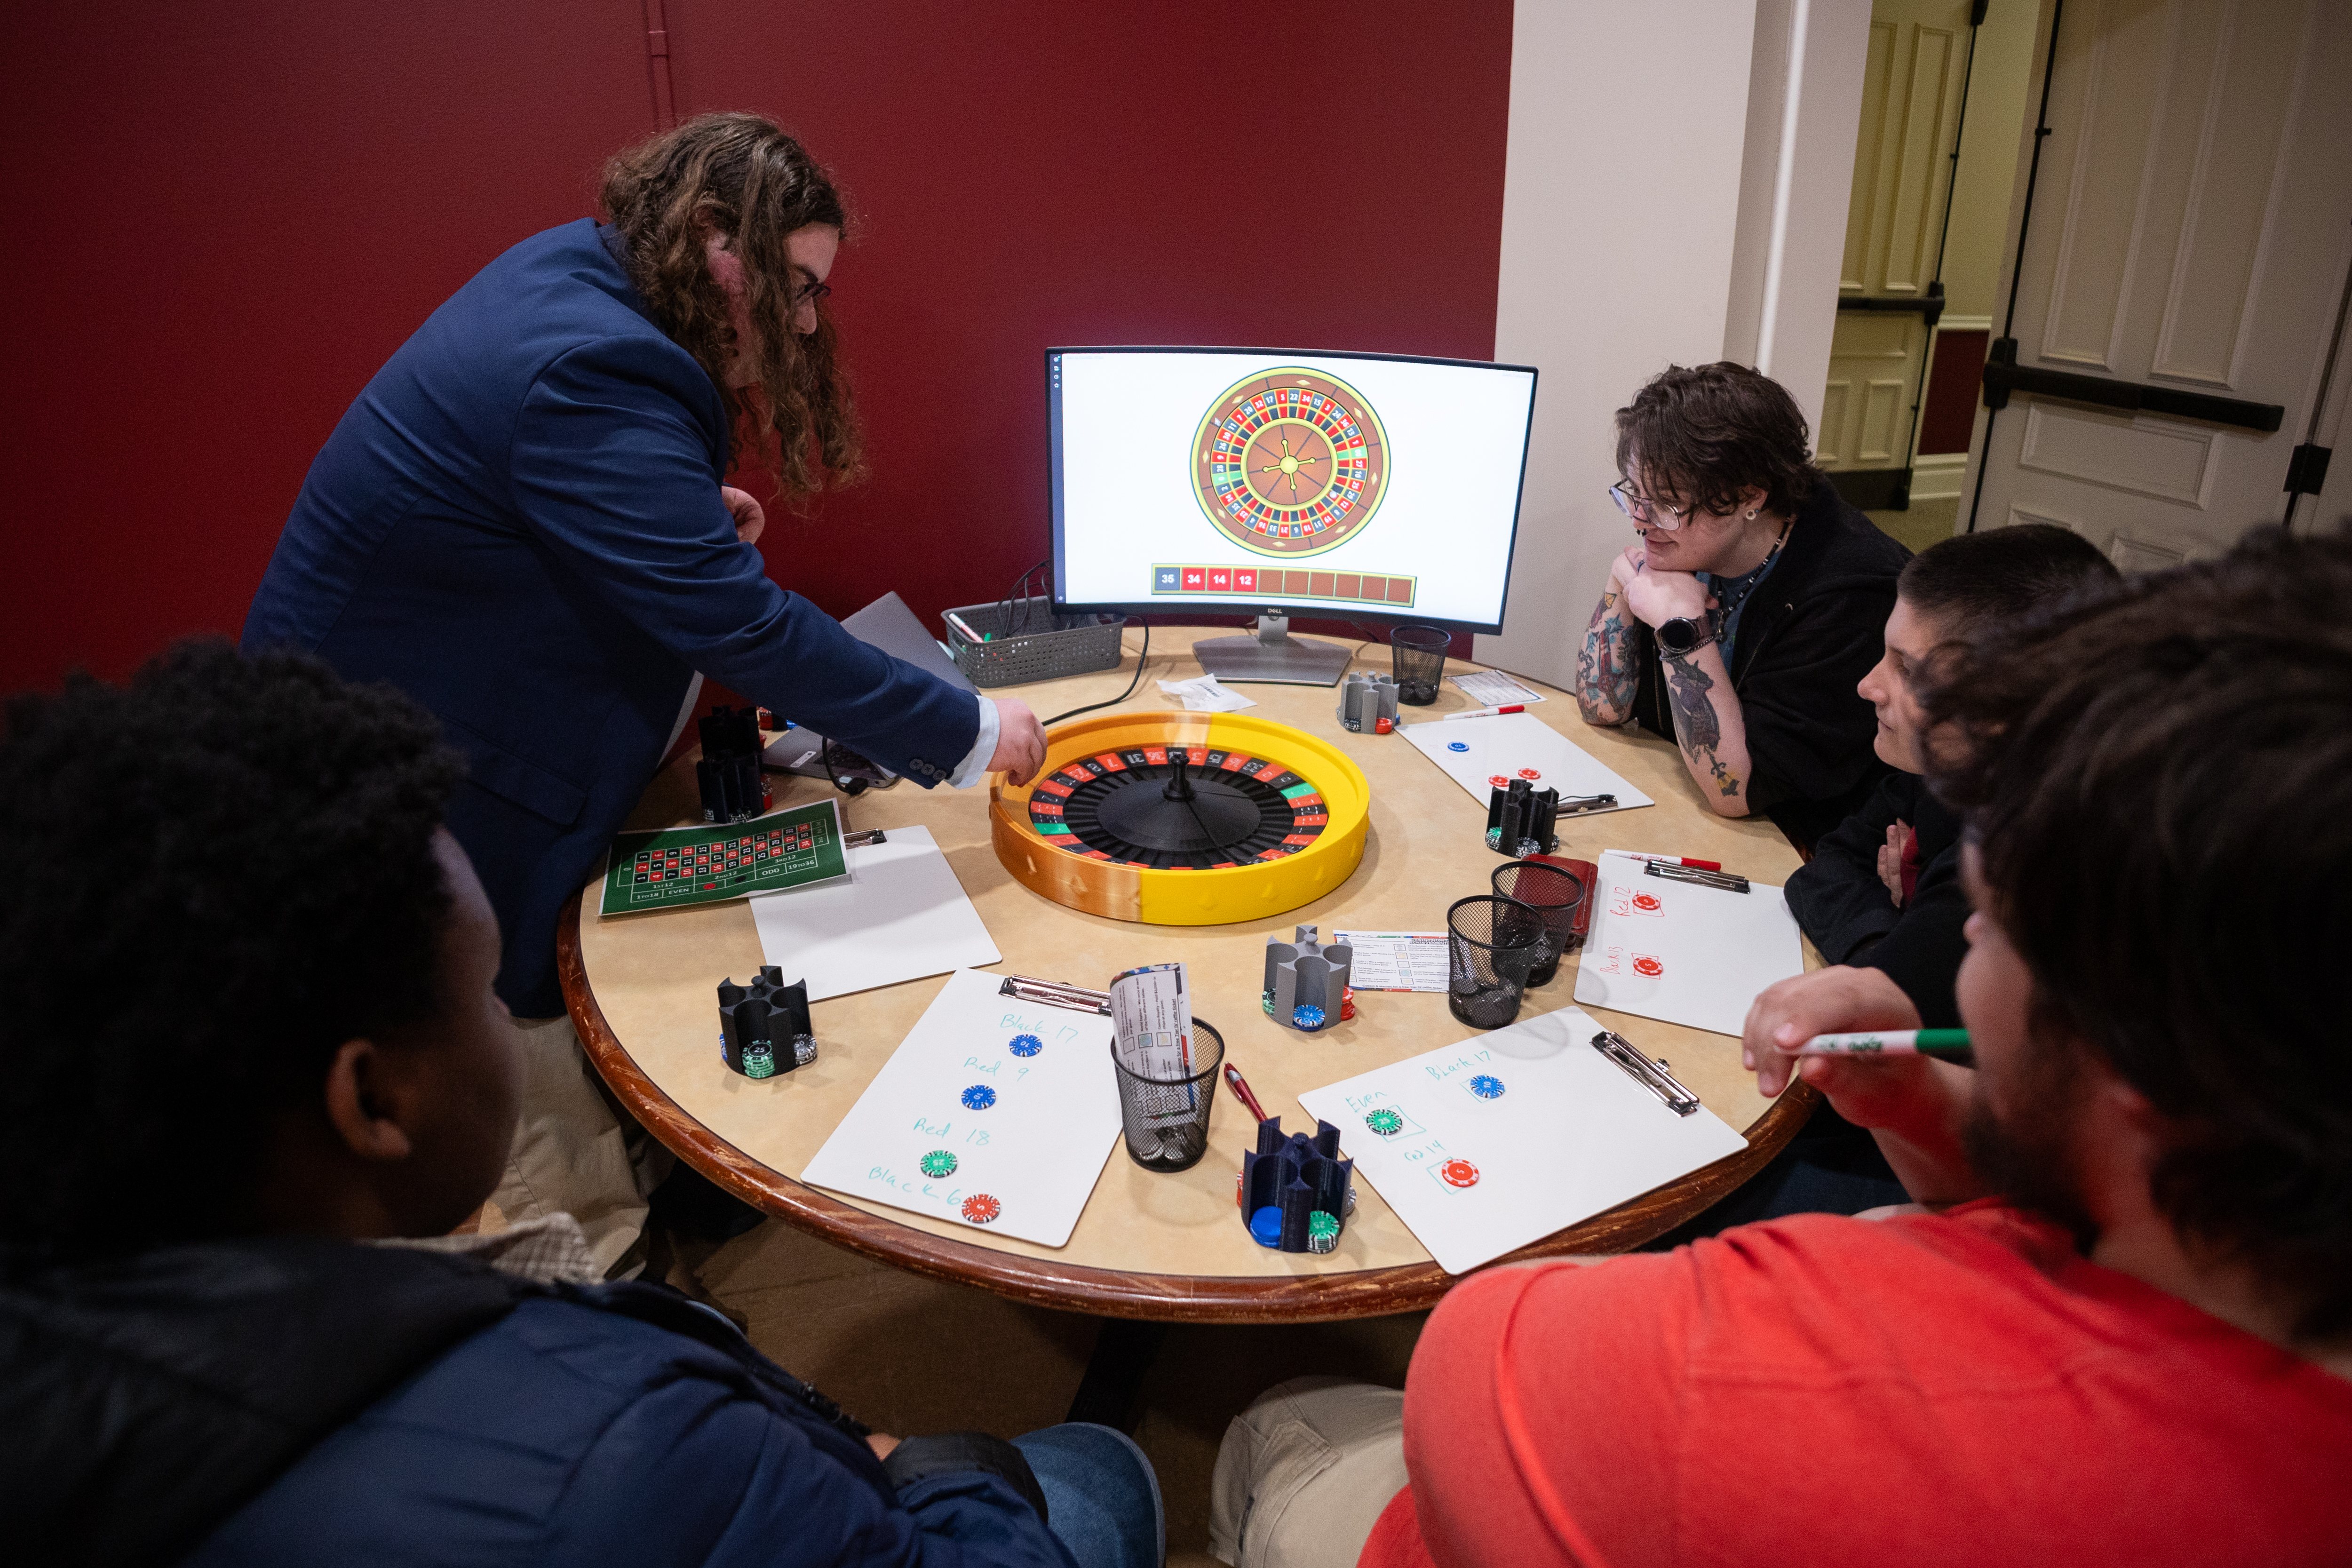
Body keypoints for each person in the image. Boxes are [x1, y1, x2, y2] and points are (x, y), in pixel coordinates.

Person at [1215, 528, 2352, 1568]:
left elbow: (1468, 1357)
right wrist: (1933, 1114)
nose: (1962, 950)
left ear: (2130, 1049)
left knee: (1276, 1421)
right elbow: (1838, 867)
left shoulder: (1793, 1344)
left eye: (1989, 920)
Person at [0, 643, 1160, 1568]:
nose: (509, 1025)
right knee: (1096, 1474)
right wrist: (932, 1465)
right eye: (485, 995)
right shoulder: (630, 1449)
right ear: (372, 1099)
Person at [241, 112, 1046, 1274]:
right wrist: (968, 726)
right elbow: (743, 624)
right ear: (717, 241)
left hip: (427, 703)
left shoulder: (582, 270)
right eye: (800, 285)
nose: (809, 319)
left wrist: (679, 524)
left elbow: (531, 500)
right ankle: (608, 1300)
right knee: (527, 1074)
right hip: (420, 777)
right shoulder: (592, 363)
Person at [1776, 524, 2118, 1033]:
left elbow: (1897, 1015)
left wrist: (1889, 950)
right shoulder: (1942, 768)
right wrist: (1889, 938)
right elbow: (1828, 863)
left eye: (1910, 673)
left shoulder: (2016, 855)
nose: (1866, 685)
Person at [1573, 363, 1909, 848]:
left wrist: (1681, 630)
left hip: (1797, 848)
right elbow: (1600, 707)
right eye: (1633, 496)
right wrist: (1624, 578)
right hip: (1681, 813)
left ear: (1750, 497)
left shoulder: (1849, 597)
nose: (1639, 522)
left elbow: (1738, 792)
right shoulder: (1682, 544)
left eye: (1665, 504)